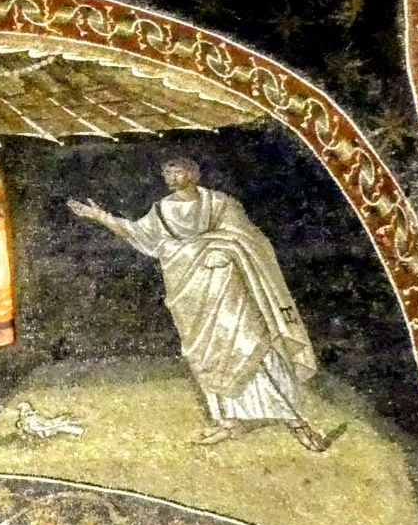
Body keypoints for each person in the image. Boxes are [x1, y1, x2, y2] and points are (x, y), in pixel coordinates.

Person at [69, 158, 332, 451]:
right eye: (166, 171)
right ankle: (229, 422)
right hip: (191, 293)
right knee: (208, 353)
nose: (170, 175)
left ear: (193, 174)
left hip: (229, 286)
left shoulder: (219, 203)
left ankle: (296, 421)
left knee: (252, 345)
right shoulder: (163, 210)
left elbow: (249, 238)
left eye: (176, 170)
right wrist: (101, 216)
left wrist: (221, 248)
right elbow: (139, 233)